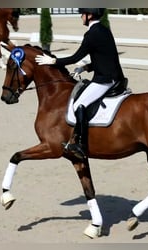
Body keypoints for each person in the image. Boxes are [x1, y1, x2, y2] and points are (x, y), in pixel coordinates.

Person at [35, 8, 126, 160]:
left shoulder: (92, 34)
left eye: (82, 14)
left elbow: (75, 57)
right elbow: (104, 57)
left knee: (79, 105)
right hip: (115, 77)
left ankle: (80, 144)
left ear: (89, 16)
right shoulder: (104, 30)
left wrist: (53, 61)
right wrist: (85, 68)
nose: (81, 17)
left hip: (105, 80)